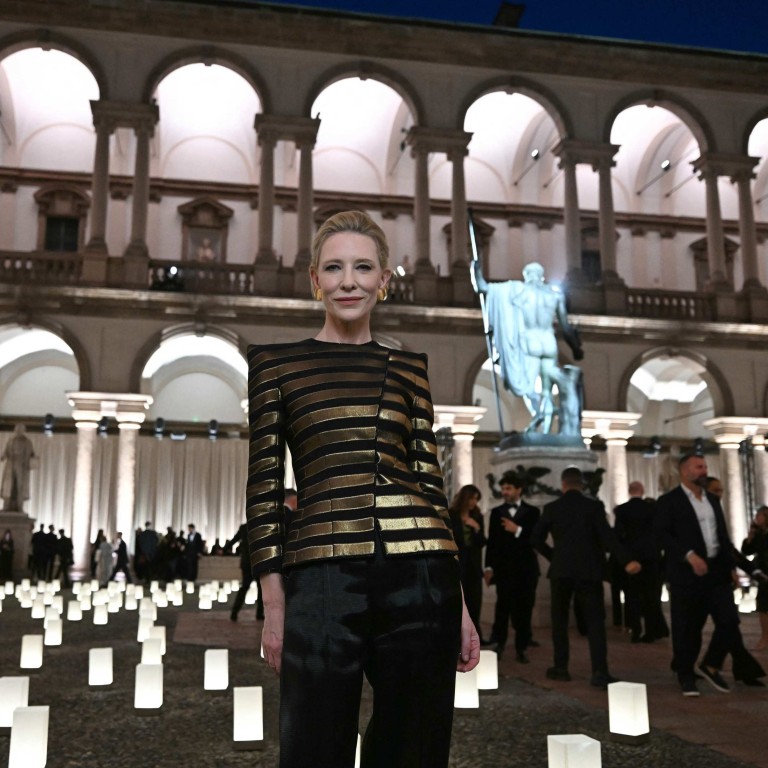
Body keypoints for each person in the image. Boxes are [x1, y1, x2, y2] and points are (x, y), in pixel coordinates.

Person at [248, 210, 479, 768]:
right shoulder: (276, 366)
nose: (348, 281)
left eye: (362, 267)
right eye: (334, 268)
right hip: (322, 576)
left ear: (383, 280)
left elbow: (430, 483)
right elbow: (263, 489)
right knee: (312, 746)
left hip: (421, 574)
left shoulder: (409, 369)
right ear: (315, 280)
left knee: (415, 748)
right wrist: (274, 605)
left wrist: (460, 604)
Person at [655, 455, 757, 696]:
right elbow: (662, 535)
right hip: (686, 575)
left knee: (729, 620)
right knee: (687, 627)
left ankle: (710, 664)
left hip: (716, 572)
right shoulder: (669, 501)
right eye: (699, 467)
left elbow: (722, 538)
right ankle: (685, 675)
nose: (704, 470)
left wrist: (737, 568)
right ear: (684, 471)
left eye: (705, 466)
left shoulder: (712, 500)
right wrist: (689, 555)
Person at [532, 466, 641, 688]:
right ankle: (599, 672)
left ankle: (561, 668)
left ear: (563, 484)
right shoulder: (594, 506)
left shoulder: (552, 508)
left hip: (561, 571)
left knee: (560, 622)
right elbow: (608, 537)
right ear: (581, 485)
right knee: (595, 623)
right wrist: (626, 560)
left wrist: (555, 557)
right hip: (589, 570)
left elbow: (535, 539)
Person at [471, 260, 583, 435]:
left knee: (527, 386)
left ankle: (538, 414)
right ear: (541, 276)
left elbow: (482, 287)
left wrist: (475, 269)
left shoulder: (519, 289)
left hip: (530, 343)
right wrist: (576, 349)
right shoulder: (554, 295)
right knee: (547, 390)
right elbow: (566, 328)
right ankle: (546, 430)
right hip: (549, 343)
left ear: (526, 276)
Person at [484, 472, 540, 662]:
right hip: (504, 569)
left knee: (524, 610)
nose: (504, 492)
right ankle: (499, 643)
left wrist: (518, 530)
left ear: (519, 490)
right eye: (503, 488)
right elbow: (492, 542)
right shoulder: (497, 512)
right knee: (502, 608)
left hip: (526, 569)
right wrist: (488, 567)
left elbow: (536, 539)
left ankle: (521, 648)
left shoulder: (533, 512)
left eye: (508, 488)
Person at [613, 481, 666, 643]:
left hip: (631, 558)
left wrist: (624, 556)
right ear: (642, 491)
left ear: (629, 491)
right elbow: (659, 532)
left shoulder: (622, 510)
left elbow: (618, 535)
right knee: (650, 595)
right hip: (650, 557)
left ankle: (635, 630)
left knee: (632, 595)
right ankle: (650, 632)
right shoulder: (652, 509)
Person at [449, 484, 487, 642]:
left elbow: (482, 542)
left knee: (475, 602)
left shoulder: (477, 516)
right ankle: (457, 637)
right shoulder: (451, 515)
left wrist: (476, 528)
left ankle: (476, 636)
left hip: (474, 566)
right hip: (458, 565)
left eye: (476, 499)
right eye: (472, 498)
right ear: (464, 498)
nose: (474, 502)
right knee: (458, 603)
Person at [743, 506, 768, 650]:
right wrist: (750, 536)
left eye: (760, 515)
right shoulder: (758, 534)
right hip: (763, 574)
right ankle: (765, 637)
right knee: (763, 606)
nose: (757, 518)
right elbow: (747, 551)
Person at [1, 424, 36, 512]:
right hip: (10, 465)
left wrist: (33, 460)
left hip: (22, 466)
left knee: (20, 486)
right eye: (16, 430)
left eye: (20, 430)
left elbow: (32, 454)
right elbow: (5, 452)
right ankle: (6, 505)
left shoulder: (27, 442)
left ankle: (19, 506)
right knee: (9, 486)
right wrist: (2, 457)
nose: (18, 432)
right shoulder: (10, 441)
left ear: (23, 431)